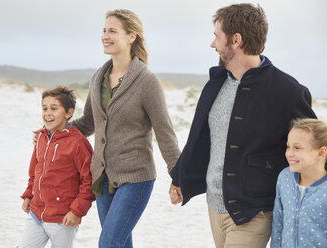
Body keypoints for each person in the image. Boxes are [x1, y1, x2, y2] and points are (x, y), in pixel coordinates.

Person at [169, 3, 316, 248]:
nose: (212, 44)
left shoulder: (288, 91)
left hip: (254, 211)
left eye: (217, 36)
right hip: (214, 206)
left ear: (236, 40)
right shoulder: (215, 84)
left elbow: (313, 148)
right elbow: (199, 137)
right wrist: (179, 178)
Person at [71, 9, 180, 248]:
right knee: (119, 243)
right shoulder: (97, 78)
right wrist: (54, 133)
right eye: (104, 30)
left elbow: (164, 131)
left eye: (112, 31)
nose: (105, 36)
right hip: (102, 178)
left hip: (136, 177)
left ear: (132, 37)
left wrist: (179, 175)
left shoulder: (146, 81)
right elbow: (87, 123)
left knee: (109, 242)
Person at [20, 86, 95, 248]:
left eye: (54, 109)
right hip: (36, 214)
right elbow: (34, 171)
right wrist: (28, 195)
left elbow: (89, 181)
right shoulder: (40, 138)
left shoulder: (78, 143)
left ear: (68, 113)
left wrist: (76, 212)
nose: (47, 113)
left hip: (63, 219)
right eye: (44, 108)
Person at [271, 118, 327, 248]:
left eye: (297, 148)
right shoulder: (285, 178)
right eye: (288, 146)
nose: (289, 153)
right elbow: (278, 224)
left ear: (321, 153)